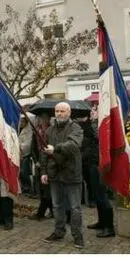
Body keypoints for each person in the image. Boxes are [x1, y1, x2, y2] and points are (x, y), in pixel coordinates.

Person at [40, 102, 84, 249]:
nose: (59, 114)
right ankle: (59, 232)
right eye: (57, 111)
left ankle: (78, 236)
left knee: (75, 207)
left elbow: (73, 145)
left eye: (63, 111)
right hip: (54, 174)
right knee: (57, 206)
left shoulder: (76, 128)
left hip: (72, 174)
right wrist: (44, 171)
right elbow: (43, 152)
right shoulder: (49, 130)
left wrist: (56, 149)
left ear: (69, 112)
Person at [79, 114, 116, 238]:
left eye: (96, 110)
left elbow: (97, 138)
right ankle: (101, 222)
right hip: (89, 163)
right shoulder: (88, 124)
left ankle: (109, 227)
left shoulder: (102, 124)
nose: (94, 113)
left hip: (99, 164)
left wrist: (86, 123)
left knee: (102, 196)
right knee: (96, 194)